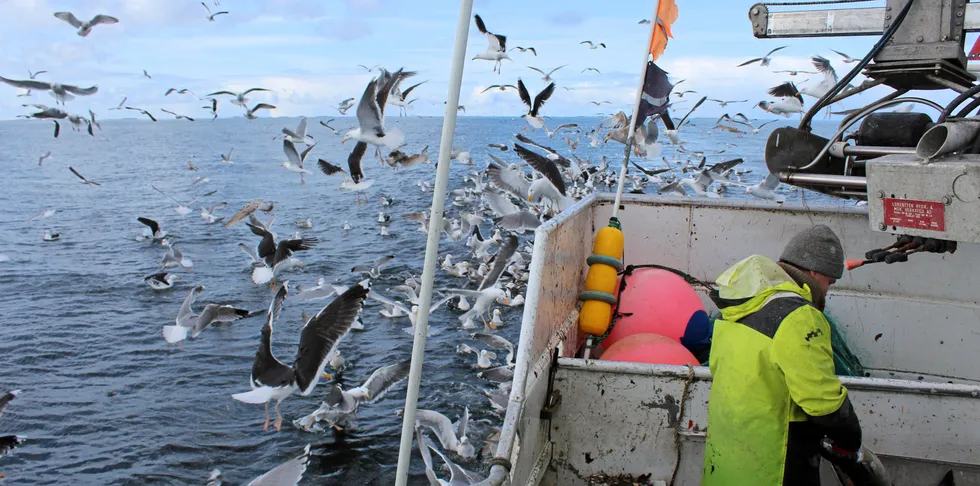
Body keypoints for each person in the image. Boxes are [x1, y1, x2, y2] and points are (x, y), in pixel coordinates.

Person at [702, 224, 863, 486]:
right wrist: (849, 438)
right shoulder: (799, 317)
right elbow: (821, 402)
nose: (827, 291)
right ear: (814, 271)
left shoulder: (737, 306)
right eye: (829, 282)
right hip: (774, 465)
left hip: (726, 460)